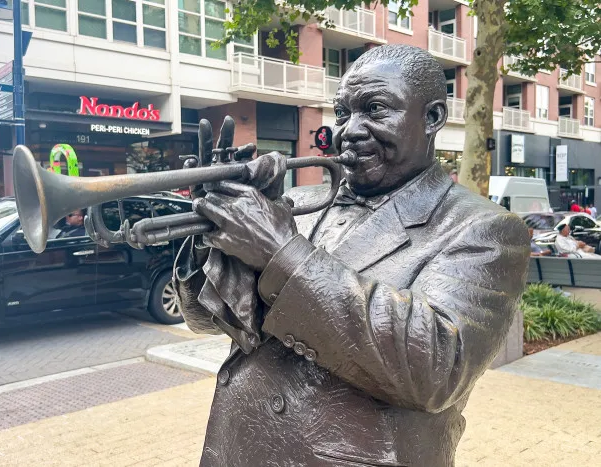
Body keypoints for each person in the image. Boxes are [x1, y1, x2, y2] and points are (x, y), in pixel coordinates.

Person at [174, 44, 530, 466]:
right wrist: (212, 234)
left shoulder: (485, 229)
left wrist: (280, 252)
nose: (350, 130)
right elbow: (203, 319)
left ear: (432, 118)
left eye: (375, 109)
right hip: (237, 447)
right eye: (342, 113)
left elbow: (437, 370)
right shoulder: (301, 202)